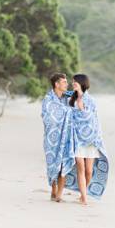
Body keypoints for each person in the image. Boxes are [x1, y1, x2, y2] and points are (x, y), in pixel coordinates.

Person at [69, 74, 109, 205]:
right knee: (80, 167)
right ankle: (84, 198)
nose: (73, 83)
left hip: (90, 139)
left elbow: (93, 119)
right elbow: (70, 118)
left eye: (75, 82)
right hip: (77, 139)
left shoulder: (91, 100)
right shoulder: (71, 99)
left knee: (89, 170)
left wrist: (82, 109)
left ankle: (84, 192)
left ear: (82, 83)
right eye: (72, 82)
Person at [41, 73, 75, 202]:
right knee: (53, 165)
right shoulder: (48, 99)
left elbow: (82, 97)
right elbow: (47, 117)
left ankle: (60, 194)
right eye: (64, 82)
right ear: (57, 84)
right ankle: (53, 189)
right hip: (52, 139)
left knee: (64, 163)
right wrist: (66, 112)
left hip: (66, 138)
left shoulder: (68, 98)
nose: (67, 84)